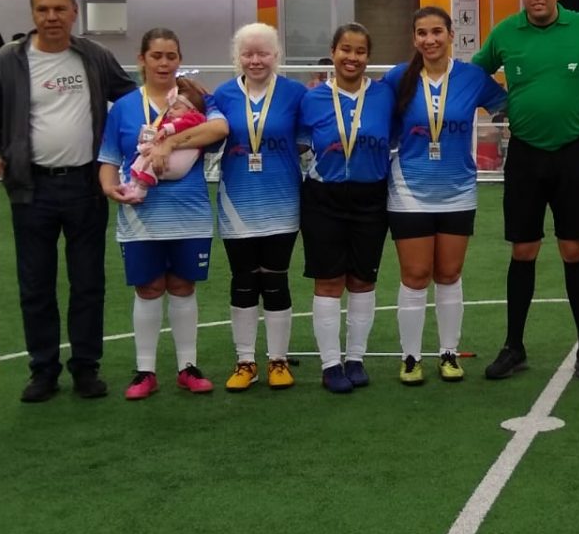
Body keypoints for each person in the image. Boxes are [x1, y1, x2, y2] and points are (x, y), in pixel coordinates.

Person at [0, 0, 137, 402]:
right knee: (36, 284)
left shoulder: (94, 56)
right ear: (32, 13)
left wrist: (176, 103)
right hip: (30, 188)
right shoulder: (7, 61)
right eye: (42, 9)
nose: (51, 17)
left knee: (88, 282)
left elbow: (132, 102)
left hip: (86, 185)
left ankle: (86, 367)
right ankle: (43, 369)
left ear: (74, 12)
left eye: (59, 9)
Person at [471, 0, 579, 381]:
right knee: (523, 250)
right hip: (525, 156)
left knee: (575, 250)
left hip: (570, 154)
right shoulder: (505, 32)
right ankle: (514, 346)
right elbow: (472, 73)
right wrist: (497, 103)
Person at [98, 30, 229, 399]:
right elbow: (109, 159)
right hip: (141, 216)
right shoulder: (124, 107)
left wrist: (170, 141)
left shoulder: (199, 100)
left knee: (182, 286)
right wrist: (110, 189)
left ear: (179, 59)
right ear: (142, 59)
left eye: (171, 56)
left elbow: (220, 128)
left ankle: (188, 367)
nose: (164, 63)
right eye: (156, 56)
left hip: (190, 214)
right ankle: (145, 371)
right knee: (149, 288)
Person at [387, 7, 507, 386]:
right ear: (414, 38)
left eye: (437, 31)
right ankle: (410, 357)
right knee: (415, 274)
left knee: (449, 273)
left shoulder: (472, 77)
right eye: (421, 32)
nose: (430, 39)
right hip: (409, 191)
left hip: (458, 190)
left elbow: (508, 109)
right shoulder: (396, 79)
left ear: (451, 34)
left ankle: (449, 352)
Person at [299, 24, 396, 393]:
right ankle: (330, 364)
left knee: (363, 279)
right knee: (329, 281)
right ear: (333, 51)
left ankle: (355, 358)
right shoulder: (312, 99)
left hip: (371, 197)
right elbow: (297, 141)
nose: (352, 57)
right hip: (324, 198)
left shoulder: (384, 96)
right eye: (345, 49)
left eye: (359, 51)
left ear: (368, 57)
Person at [210, 23, 307, 392]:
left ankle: (278, 361)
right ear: (238, 57)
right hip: (236, 203)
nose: (255, 60)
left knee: (276, 279)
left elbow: (310, 136)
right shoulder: (222, 95)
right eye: (247, 54)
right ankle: (246, 360)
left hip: (283, 200)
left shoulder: (295, 93)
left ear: (275, 56)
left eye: (262, 53)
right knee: (244, 280)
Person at [117, 87, 206, 202]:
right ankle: (132, 183)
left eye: (176, 108)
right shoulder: (169, 122)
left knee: (149, 164)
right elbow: (158, 131)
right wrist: (147, 134)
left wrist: (166, 130)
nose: (171, 111)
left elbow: (183, 124)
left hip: (178, 161)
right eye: (169, 109)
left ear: (192, 109)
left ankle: (141, 190)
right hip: (168, 156)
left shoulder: (196, 118)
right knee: (140, 159)